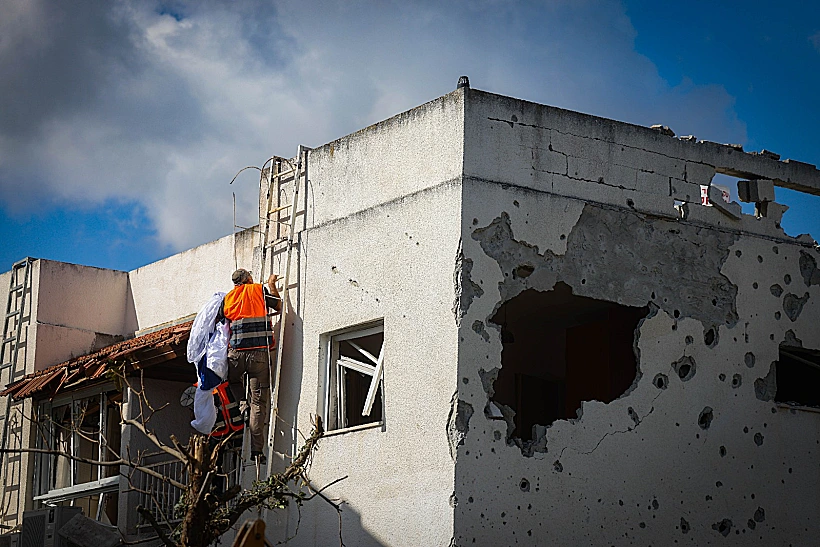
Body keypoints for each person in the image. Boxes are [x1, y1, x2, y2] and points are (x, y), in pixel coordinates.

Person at [220, 268, 281, 464]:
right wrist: (271, 284)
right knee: (259, 404)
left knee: (233, 382)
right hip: (258, 355)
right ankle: (257, 452)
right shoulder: (257, 290)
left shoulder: (228, 299)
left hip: (235, 354)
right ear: (248, 279)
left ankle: (242, 406)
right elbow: (278, 306)